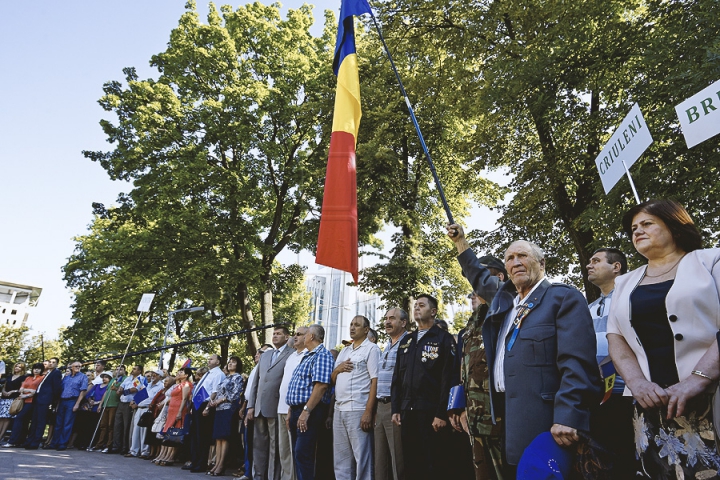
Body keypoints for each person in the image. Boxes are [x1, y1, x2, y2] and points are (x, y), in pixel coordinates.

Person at [451, 225, 601, 476]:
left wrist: (569, 415)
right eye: (510, 258)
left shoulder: (562, 298)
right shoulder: (504, 299)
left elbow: (576, 363)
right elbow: (477, 275)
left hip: (545, 422)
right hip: (502, 421)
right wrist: (461, 243)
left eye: (523, 256)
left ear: (542, 263)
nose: (516, 262)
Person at [607, 199, 720, 478]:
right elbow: (616, 337)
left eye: (647, 224)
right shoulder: (624, 283)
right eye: (634, 228)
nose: (637, 232)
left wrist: (697, 378)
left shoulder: (711, 261)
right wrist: (637, 383)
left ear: (674, 225)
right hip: (651, 407)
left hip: (712, 399)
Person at [391, 294, 458, 480]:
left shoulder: (444, 339)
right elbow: (397, 377)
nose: (416, 308)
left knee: (435, 464)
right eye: (415, 305)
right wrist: (396, 408)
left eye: (422, 305)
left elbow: (449, 378)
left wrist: (442, 412)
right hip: (407, 412)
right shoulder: (406, 341)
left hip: (431, 413)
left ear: (433, 311)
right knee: (412, 464)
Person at [585, 247, 636, 478]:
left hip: (629, 394)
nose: (589, 265)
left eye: (596, 261)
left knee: (629, 460)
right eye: (589, 261)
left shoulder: (633, 298)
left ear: (616, 267)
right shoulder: (588, 309)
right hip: (597, 395)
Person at [331, 316, 380, 480]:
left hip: (358, 409)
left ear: (366, 330)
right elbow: (332, 378)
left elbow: (375, 380)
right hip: (339, 409)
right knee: (341, 460)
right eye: (351, 324)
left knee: (362, 459)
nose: (352, 327)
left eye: (357, 325)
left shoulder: (372, 349)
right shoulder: (344, 351)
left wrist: (368, 411)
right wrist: (338, 369)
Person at [286, 324, 334, 480]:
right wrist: (290, 411)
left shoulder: (322, 355)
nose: (302, 337)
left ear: (312, 337)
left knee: (303, 453)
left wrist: (306, 411)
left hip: (310, 411)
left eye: (305, 335)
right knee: (297, 453)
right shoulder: (308, 355)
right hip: (297, 410)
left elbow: (320, 386)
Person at [247, 327, 293, 480]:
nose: (275, 336)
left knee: (275, 447)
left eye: (279, 334)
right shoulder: (266, 355)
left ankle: (273, 477)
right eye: (273, 334)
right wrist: (251, 406)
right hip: (259, 407)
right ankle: (258, 476)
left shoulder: (292, 354)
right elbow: (256, 382)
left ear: (287, 337)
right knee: (258, 446)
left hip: (276, 407)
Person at [374, 309, 407, 480]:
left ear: (403, 322)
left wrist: (399, 407)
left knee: (397, 459)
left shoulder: (408, 343)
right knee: (380, 460)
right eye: (386, 318)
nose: (387, 322)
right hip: (380, 407)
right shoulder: (387, 345)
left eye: (392, 318)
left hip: (396, 406)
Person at [184, 354, 226, 473]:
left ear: (218, 362)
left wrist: (207, 407)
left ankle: (201, 463)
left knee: (203, 436)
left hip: (205, 405)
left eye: (212, 359)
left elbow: (214, 391)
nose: (209, 360)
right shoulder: (208, 373)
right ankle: (195, 461)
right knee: (196, 435)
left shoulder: (218, 374)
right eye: (209, 358)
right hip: (198, 403)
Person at [278, 328, 308, 480]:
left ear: (308, 337)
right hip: (281, 407)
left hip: (295, 409)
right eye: (295, 334)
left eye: (299, 334)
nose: (295, 337)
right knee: (283, 450)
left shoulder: (308, 356)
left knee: (295, 451)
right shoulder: (290, 357)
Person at [208, 356, 245, 476]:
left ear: (238, 365)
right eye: (229, 362)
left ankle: (222, 464)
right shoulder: (226, 377)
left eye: (233, 362)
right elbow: (218, 391)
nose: (230, 364)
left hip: (229, 409)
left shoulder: (238, 377)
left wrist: (222, 400)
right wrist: (213, 402)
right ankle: (217, 463)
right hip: (219, 409)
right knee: (218, 438)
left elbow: (235, 394)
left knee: (224, 437)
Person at [47, 360, 88, 450]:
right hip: (62, 401)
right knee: (58, 423)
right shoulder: (66, 377)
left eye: (79, 366)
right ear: (71, 367)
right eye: (76, 366)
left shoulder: (83, 377)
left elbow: (83, 391)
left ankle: (62, 443)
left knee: (67, 423)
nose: (78, 368)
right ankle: (54, 443)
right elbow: (60, 389)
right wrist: (57, 403)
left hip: (72, 401)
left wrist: (77, 404)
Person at [156, 367, 192, 466]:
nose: (179, 373)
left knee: (174, 433)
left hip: (178, 410)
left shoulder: (186, 384)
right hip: (171, 410)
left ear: (186, 375)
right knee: (167, 432)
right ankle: (163, 454)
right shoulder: (178, 384)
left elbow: (185, 399)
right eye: (178, 371)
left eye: (181, 372)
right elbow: (171, 397)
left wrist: (180, 412)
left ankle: (170, 456)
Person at [24, 357, 62, 449]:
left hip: (45, 400)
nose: (51, 364)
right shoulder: (47, 373)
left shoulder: (56, 373)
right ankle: (29, 440)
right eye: (50, 362)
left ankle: (35, 443)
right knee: (34, 421)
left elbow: (57, 388)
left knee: (41, 422)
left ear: (57, 364)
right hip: (38, 399)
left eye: (54, 362)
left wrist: (52, 401)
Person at [2, 363, 43, 447]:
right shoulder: (28, 378)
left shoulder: (41, 378)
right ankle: (20, 441)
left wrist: (27, 393)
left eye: (38, 368)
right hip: (22, 401)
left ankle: (12, 441)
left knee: (19, 418)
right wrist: (29, 391)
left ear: (41, 370)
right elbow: (21, 389)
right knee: (24, 421)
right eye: (35, 368)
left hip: (31, 402)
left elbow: (36, 391)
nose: (36, 370)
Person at [128, 369, 164, 458]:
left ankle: (145, 451)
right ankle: (134, 451)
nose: (153, 376)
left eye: (155, 374)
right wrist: (134, 401)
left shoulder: (161, 386)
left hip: (147, 409)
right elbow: (142, 395)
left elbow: (152, 399)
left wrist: (137, 404)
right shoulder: (148, 385)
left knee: (144, 431)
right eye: (152, 374)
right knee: (136, 430)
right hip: (139, 408)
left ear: (160, 376)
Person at [113, 364, 146, 455]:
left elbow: (134, 389)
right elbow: (122, 386)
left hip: (129, 404)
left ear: (139, 371)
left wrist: (121, 391)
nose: (133, 370)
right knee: (117, 425)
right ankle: (116, 446)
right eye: (133, 368)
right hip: (121, 402)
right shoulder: (128, 378)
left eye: (135, 369)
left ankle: (125, 447)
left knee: (126, 426)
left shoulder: (139, 379)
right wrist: (119, 389)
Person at [96, 366, 125, 452]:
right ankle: (100, 444)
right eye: (117, 369)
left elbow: (121, 390)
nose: (118, 371)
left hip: (114, 404)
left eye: (121, 369)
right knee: (103, 425)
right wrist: (101, 404)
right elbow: (106, 391)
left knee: (110, 425)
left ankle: (109, 445)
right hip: (106, 404)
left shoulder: (124, 379)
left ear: (124, 371)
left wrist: (116, 388)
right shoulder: (113, 379)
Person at [0, 362, 27, 442]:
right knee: (1, 418)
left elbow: (21, 389)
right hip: (4, 398)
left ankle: (1, 436)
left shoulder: (22, 378)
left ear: (22, 369)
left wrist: (12, 391)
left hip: (13, 398)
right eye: (16, 366)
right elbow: (4, 386)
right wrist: (4, 391)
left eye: (19, 367)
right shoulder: (9, 376)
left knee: (7, 418)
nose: (17, 368)